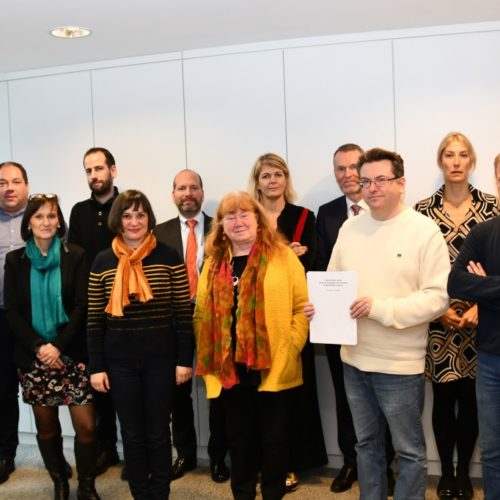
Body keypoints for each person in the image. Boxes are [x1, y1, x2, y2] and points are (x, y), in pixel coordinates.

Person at [308, 148, 450, 500]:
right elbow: (333, 280)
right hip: (354, 361)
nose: (371, 188)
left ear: (401, 183)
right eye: (366, 181)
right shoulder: (350, 227)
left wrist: (380, 309)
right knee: (366, 445)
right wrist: (320, 308)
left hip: (399, 365)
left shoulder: (423, 231)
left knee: (409, 452)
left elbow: (437, 298)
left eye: (381, 180)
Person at [194, 191, 309, 500]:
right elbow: (201, 314)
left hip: (275, 364)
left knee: (274, 441)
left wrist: (291, 345)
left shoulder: (283, 256)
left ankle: (273, 494)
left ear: (259, 220)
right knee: (239, 441)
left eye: (245, 214)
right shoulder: (213, 263)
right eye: (229, 216)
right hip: (229, 369)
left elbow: (301, 308)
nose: (238, 221)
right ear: (221, 225)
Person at [87, 190, 194, 499]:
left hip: (161, 360)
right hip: (119, 364)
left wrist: (184, 360)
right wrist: (97, 367)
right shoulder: (102, 261)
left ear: (149, 218)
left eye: (140, 215)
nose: (134, 222)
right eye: (127, 215)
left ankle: (159, 493)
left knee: (159, 432)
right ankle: (140, 494)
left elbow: (182, 313)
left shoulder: (169, 256)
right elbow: (94, 320)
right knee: (132, 434)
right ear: (117, 220)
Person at [415, 132, 498, 500]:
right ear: (440, 161)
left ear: (472, 161)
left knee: (474, 401)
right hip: (439, 319)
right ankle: (446, 474)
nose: (456, 162)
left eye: (463, 155)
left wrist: (480, 304)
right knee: (443, 399)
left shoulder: (491, 207)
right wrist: (439, 309)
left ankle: (464, 472)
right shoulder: (422, 210)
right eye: (449, 155)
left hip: (485, 319)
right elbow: (417, 267)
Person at [4, 193, 100, 500]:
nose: (46, 222)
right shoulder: (15, 261)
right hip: (34, 357)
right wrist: (39, 347)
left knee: (87, 427)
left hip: (72, 353)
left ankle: (86, 486)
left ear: (59, 222)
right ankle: (59, 481)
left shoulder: (77, 255)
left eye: (51, 216)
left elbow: (83, 305)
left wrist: (57, 346)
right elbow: (12, 311)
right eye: (39, 216)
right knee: (46, 428)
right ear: (28, 223)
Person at [315, 143, 395, 494]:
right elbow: (322, 266)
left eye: (353, 167)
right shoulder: (327, 213)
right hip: (340, 324)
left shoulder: (386, 209)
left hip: (379, 321)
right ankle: (351, 462)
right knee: (346, 397)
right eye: (340, 168)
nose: (347, 174)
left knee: (385, 401)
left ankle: (385, 465)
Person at [249, 153, 327, 491]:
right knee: (258, 395)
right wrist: (285, 254)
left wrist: (285, 259)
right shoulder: (248, 216)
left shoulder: (303, 216)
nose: (272, 181)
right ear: (257, 181)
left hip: (293, 316)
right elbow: (244, 261)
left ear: (286, 179)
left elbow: (311, 262)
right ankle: (263, 463)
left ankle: (291, 462)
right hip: (254, 318)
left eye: (278, 175)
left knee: (293, 394)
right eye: (265, 176)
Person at [154, 169, 229, 483]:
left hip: (213, 318)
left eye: (194, 187)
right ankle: (184, 453)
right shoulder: (158, 232)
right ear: (173, 194)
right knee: (177, 392)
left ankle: (218, 457)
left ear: (202, 192)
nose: (188, 193)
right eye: (181, 188)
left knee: (218, 392)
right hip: (173, 320)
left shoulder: (222, 228)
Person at [68, 147, 121, 476]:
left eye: (99, 169)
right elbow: (74, 259)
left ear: (113, 171)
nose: (94, 175)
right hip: (91, 308)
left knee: (125, 383)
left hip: (125, 307)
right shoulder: (78, 211)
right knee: (98, 381)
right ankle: (107, 448)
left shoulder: (128, 205)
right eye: (89, 170)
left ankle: (134, 451)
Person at [447, 213, 500, 500]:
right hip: (490, 358)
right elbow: (456, 282)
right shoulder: (483, 232)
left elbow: (472, 287)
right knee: (492, 449)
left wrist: (486, 288)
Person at [0, 161, 29, 484]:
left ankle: (55, 455)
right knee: (3, 389)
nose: (9, 187)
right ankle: (6, 453)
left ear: (26, 185)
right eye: (2, 182)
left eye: (15, 181)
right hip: (0, 316)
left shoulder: (40, 218)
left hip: (34, 319)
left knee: (44, 389)